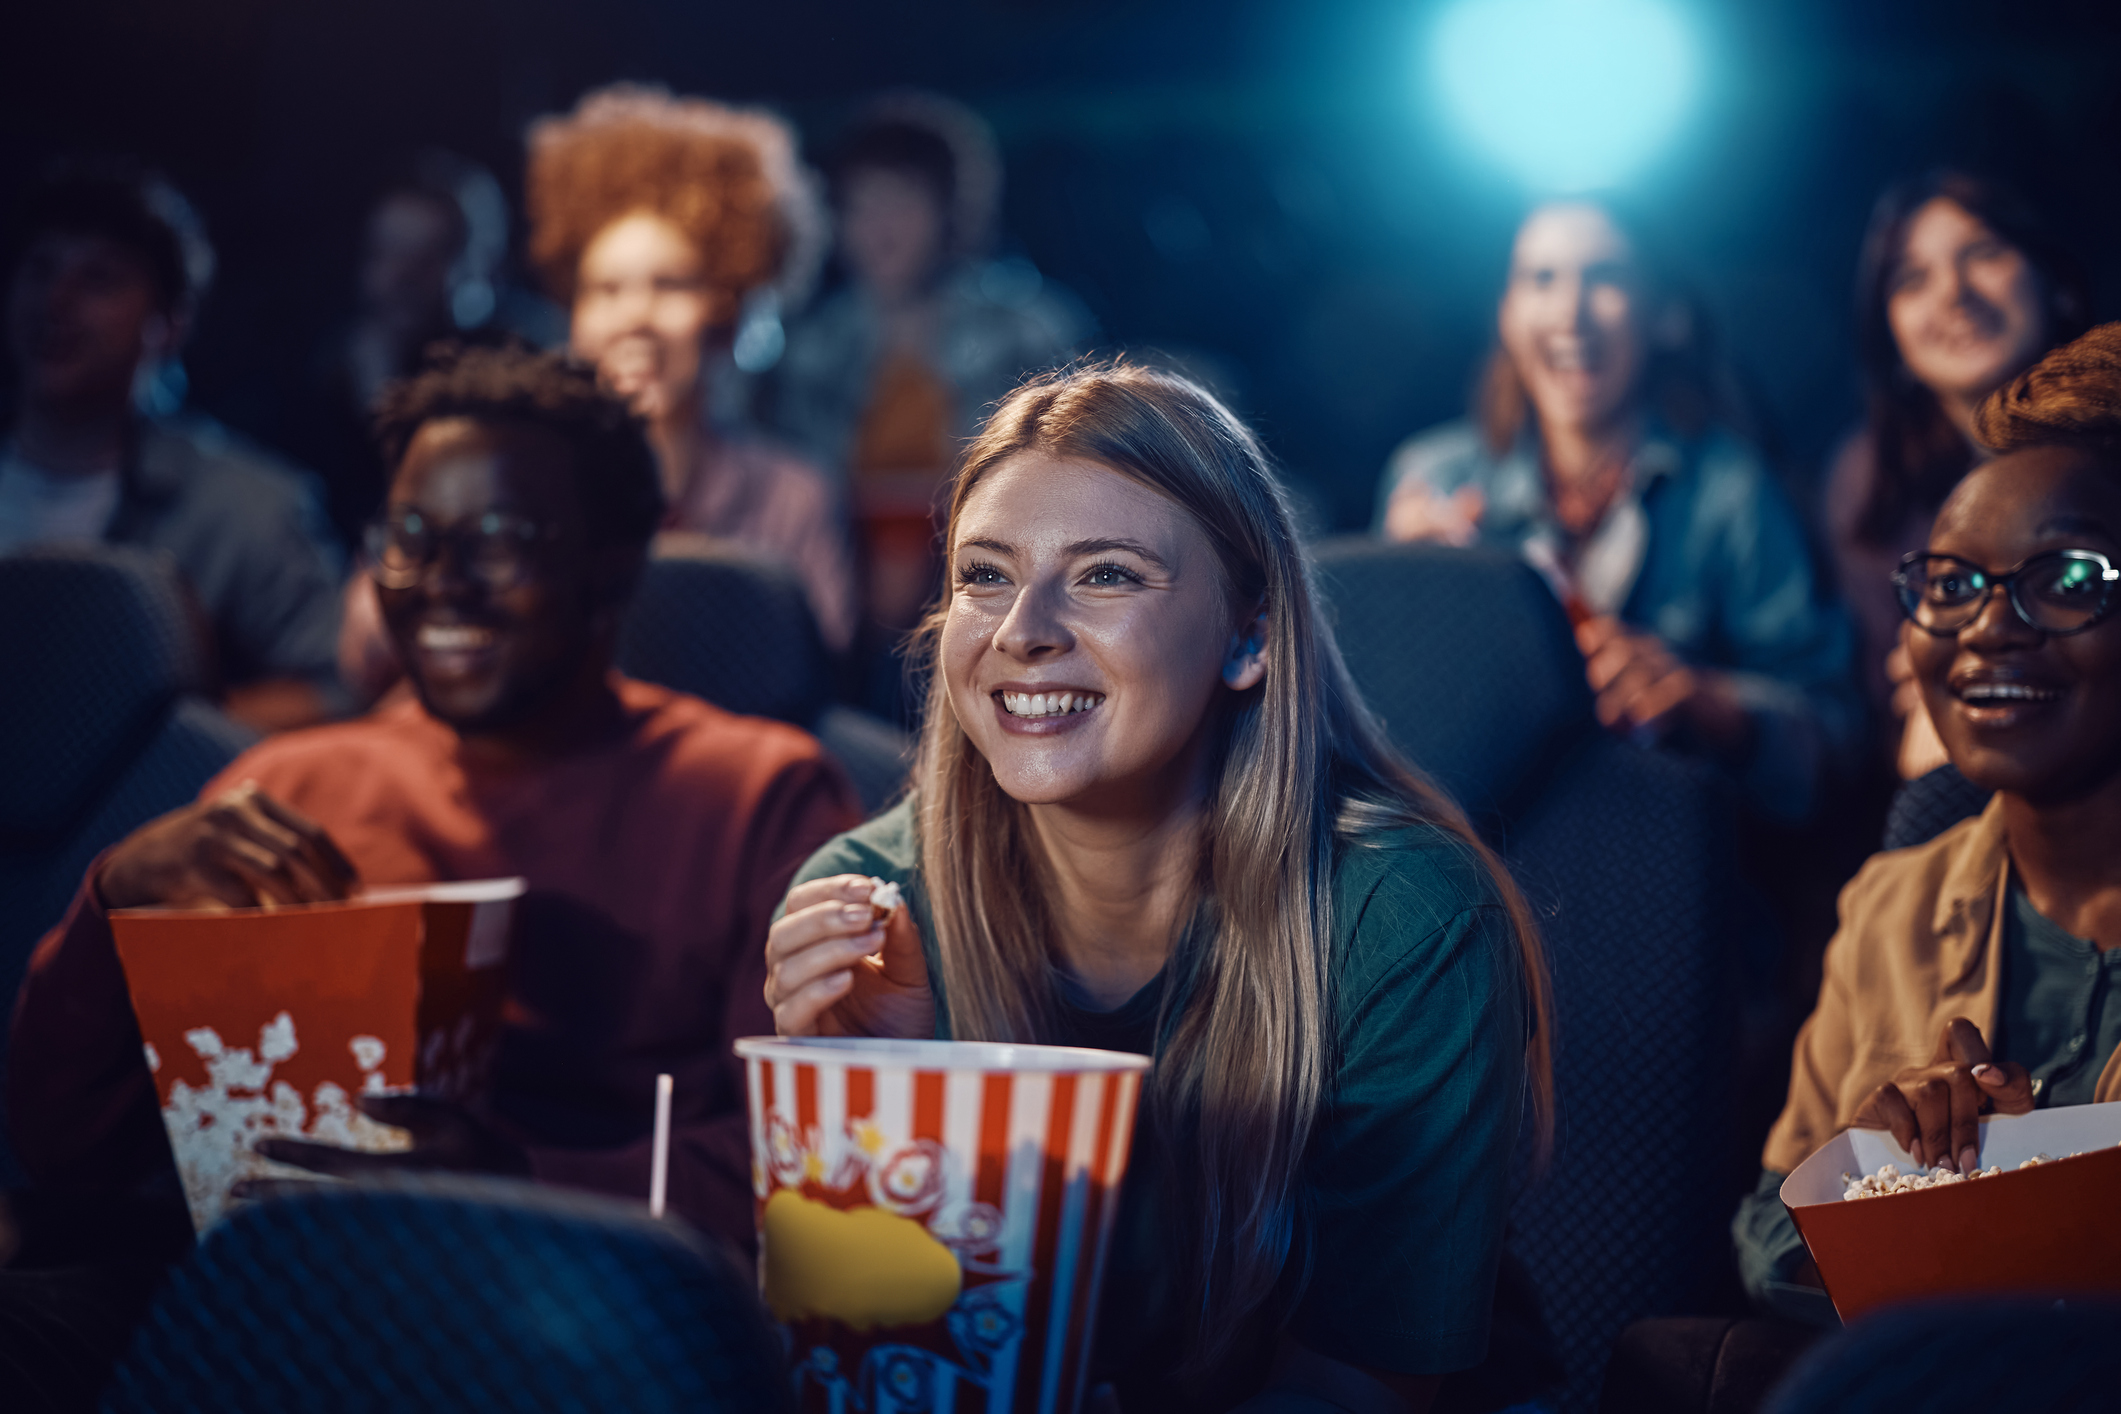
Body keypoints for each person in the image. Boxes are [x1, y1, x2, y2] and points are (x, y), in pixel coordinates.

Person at [763, 362, 1553, 1413]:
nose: (1022, 629)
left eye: (1106, 576)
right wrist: (898, 1101)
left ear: (1251, 635)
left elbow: (1369, 1386)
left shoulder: (1405, 916)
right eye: (984, 575)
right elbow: (870, 1361)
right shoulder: (866, 900)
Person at [7, 345, 860, 1261]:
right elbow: (61, 1154)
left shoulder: (760, 795)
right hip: (285, 1300)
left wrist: (523, 1184)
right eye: (411, 536)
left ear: (612, 564)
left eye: (495, 538)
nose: (442, 581)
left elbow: (817, 1155)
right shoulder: (284, 792)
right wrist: (116, 907)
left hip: (590, 1297)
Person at [1733, 323, 2121, 1326]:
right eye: (1950, 584)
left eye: (2068, 580)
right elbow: (1765, 1234)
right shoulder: (1894, 899)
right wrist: (1869, 1174)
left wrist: (2029, 1204)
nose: (1989, 626)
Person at [1376, 198, 1857, 824]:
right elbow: (1357, 728)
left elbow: (1840, 734)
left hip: (1662, 850)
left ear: (1665, 316)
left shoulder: (1729, 489)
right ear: (1507, 312)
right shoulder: (1430, 477)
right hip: (1475, 850)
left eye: (1603, 278)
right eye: (1541, 280)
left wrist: (1707, 702)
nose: (1570, 314)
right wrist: (1396, 597)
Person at [765, 93, 1088, 709]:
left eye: (902, 203)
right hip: (843, 603)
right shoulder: (808, 348)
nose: (879, 228)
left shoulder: (1028, 332)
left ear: (950, 213)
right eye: (860, 207)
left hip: (984, 592)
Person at [1, 161, 347, 731]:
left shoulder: (246, 509)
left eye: (98, 279)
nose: (55, 302)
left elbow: (340, 689)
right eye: (39, 270)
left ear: (168, 324)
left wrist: (154, 744)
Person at [524, 83, 855, 654]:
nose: (633, 317)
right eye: (604, 289)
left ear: (726, 304)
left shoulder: (793, 497)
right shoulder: (520, 478)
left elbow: (816, 668)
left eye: (669, 284)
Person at [1823, 170, 2090, 776]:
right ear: (1889, 336)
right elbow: (1882, 705)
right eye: (1913, 278)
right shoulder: (1867, 482)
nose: (1954, 294)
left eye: (1984, 253)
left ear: (2055, 284)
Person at [273, 151, 564, 551]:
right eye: (386, 252)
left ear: (485, 265)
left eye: (430, 256)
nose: (401, 276)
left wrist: (381, 406)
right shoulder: (325, 374)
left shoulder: (528, 363)